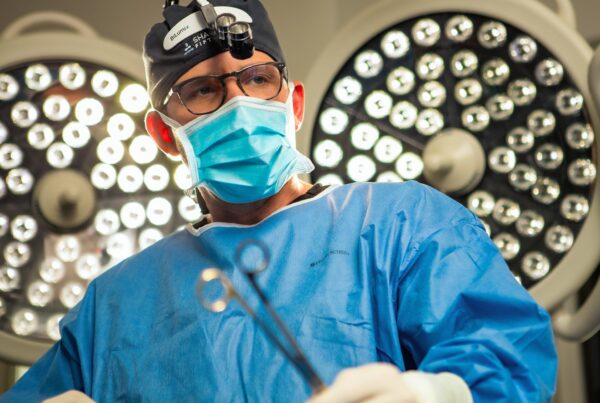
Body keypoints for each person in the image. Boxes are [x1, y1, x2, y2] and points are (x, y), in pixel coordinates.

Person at [1, 1, 557, 402]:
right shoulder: (114, 307)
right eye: (203, 90)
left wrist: (436, 395)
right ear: (165, 133)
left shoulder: (402, 225)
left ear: (293, 104)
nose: (238, 103)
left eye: (258, 79)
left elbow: (502, 350)